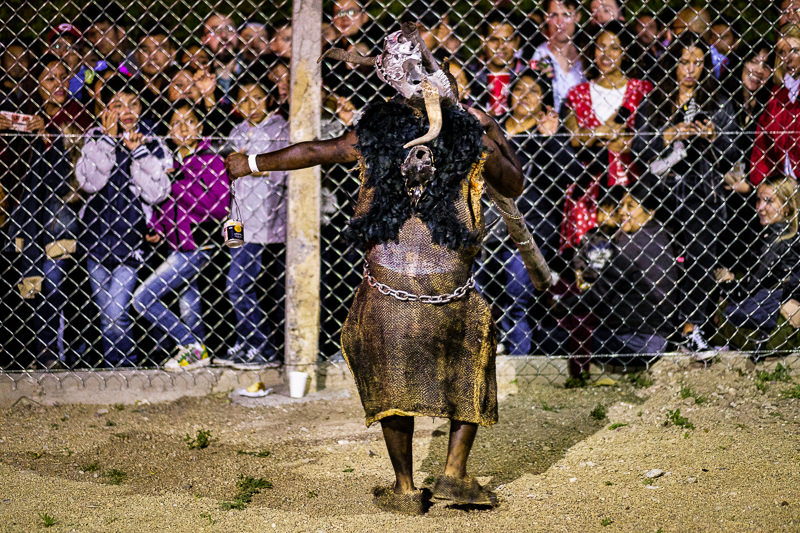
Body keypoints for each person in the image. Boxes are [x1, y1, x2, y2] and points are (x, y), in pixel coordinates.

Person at [226, 19, 537, 514]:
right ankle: (454, 473)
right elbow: (513, 183)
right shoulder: (472, 127)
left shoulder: (375, 131)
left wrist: (252, 164)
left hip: (387, 292)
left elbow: (315, 152)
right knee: (469, 353)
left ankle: (405, 487)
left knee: (392, 371)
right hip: (451, 290)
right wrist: (490, 133)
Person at [632, 31, 738, 357]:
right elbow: (638, 148)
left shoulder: (717, 101)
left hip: (702, 194)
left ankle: (693, 329)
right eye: (683, 62)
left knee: (699, 260)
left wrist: (713, 135)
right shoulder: (655, 102)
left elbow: (732, 151)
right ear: (672, 63)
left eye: (698, 62)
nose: (690, 69)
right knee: (662, 262)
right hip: (661, 194)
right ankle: (660, 330)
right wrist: (668, 133)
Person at [481, 64, 578, 356]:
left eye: (533, 91)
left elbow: (571, 175)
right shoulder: (489, 129)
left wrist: (550, 139)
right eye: (519, 89)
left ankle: (516, 360)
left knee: (516, 298)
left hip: (527, 230)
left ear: (545, 101)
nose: (524, 96)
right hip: (483, 228)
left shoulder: (545, 137)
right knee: (473, 294)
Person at [75, 74, 171, 367]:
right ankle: (116, 367)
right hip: (95, 241)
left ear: (142, 108)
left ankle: (124, 366)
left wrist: (137, 153)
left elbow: (157, 192)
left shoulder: (153, 143)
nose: (126, 111)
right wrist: (106, 141)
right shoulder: (94, 137)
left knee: (117, 310)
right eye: (117, 104)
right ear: (106, 110)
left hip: (130, 241)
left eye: (133, 103)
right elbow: (89, 182)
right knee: (107, 314)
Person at [7, 55, 93, 368]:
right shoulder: (23, 114)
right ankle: (43, 351)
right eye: (49, 79)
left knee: (56, 282)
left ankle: (58, 352)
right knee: (35, 283)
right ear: (36, 84)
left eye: (62, 77)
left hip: (65, 214)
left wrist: (54, 131)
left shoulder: (78, 113)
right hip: (31, 216)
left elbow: (82, 162)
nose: (57, 85)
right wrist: (14, 132)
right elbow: (12, 170)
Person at [131, 101, 229, 371]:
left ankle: (191, 346)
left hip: (198, 246)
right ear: (169, 131)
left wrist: (177, 184)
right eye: (176, 123)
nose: (183, 127)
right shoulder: (171, 161)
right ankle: (198, 356)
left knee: (142, 299)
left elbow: (218, 205)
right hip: (177, 245)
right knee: (188, 303)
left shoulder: (209, 159)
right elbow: (166, 205)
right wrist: (158, 229)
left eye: (189, 121)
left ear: (200, 126)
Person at [559, 179, 678, 366]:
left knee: (556, 338)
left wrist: (561, 306)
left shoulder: (631, 245)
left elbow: (599, 293)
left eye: (630, 206)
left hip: (635, 341)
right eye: (621, 205)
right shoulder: (659, 234)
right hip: (657, 336)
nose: (621, 211)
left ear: (650, 212)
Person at [214, 73, 288, 370]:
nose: (250, 103)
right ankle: (246, 343)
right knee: (238, 285)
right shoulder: (237, 129)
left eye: (256, 96)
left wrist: (247, 164)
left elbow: (281, 171)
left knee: (239, 285)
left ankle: (262, 346)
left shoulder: (279, 129)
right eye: (243, 98)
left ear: (269, 99)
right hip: (238, 220)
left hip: (264, 224)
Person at [564, 21, 653, 248]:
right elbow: (574, 137)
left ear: (626, 51)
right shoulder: (578, 93)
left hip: (632, 184)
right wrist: (602, 131)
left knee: (632, 251)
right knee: (587, 255)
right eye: (600, 46)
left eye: (614, 47)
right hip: (589, 188)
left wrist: (626, 142)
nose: (606, 54)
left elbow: (651, 136)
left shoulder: (643, 90)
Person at [715, 175, 800, 353]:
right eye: (758, 200)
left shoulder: (778, 241)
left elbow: (747, 290)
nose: (760, 207)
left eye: (768, 201)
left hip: (778, 332)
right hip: (779, 314)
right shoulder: (786, 233)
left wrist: (727, 282)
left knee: (721, 310)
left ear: (786, 207)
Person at [717, 41, 774, 275]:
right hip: (719, 191)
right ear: (740, 63)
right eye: (753, 61)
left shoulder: (771, 106)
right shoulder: (719, 101)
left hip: (754, 191)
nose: (759, 70)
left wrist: (750, 186)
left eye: (767, 65)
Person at [750, 24, 800, 186]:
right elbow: (763, 143)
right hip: (780, 183)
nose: (788, 58)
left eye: (794, 50)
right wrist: (761, 183)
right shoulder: (776, 94)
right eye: (782, 52)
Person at [469, 9, 526, 119]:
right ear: (483, 41)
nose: (501, 46)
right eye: (494, 39)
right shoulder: (469, 74)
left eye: (507, 39)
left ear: (517, 42)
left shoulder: (527, 75)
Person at [531, 0, 586, 113]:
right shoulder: (538, 54)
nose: (560, 22)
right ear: (546, 17)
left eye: (566, 15)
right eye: (554, 15)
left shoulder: (587, 55)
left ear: (578, 17)